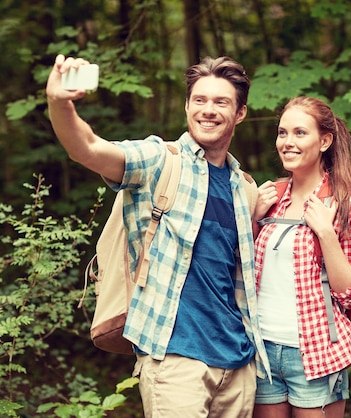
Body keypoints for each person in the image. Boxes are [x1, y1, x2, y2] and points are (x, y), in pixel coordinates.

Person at [46, 54, 270, 418]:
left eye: (221, 102)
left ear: (240, 113)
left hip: (239, 365)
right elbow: (86, 147)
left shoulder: (244, 188)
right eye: (199, 100)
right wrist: (60, 102)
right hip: (175, 359)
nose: (208, 110)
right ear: (187, 106)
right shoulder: (159, 161)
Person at [251, 96, 351, 418]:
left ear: (325, 141)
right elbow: (240, 273)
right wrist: (252, 219)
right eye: (282, 133)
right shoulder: (270, 198)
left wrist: (327, 235)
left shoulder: (345, 202)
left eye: (300, 133)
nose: (287, 142)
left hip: (315, 353)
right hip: (261, 349)